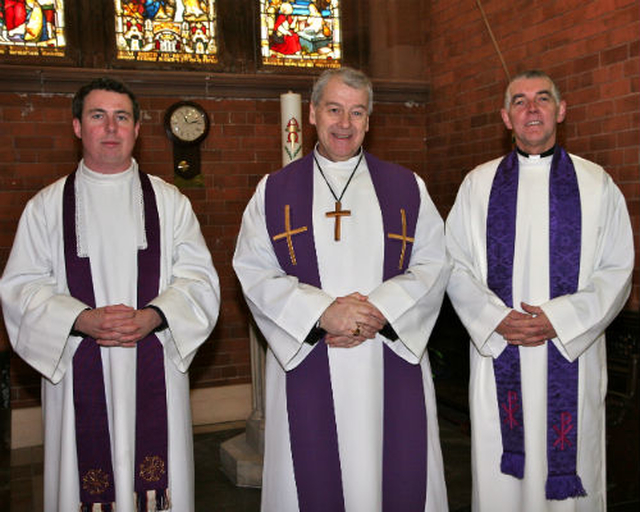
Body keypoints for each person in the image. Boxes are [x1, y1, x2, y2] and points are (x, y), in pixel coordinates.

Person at [233, 67, 450, 512]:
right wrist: (322, 314)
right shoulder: (274, 191)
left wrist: (376, 313)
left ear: (370, 120)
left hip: (386, 354)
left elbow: (435, 263)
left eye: (357, 112)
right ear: (312, 114)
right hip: (312, 353)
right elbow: (253, 270)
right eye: (334, 110)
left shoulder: (408, 187)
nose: (345, 124)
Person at [0, 77, 220, 512]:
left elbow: (200, 281)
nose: (111, 128)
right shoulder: (46, 207)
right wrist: (81, 319)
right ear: (78, 127)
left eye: (122, 117)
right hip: (79, 365)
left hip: (154, 358)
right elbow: (20, 287)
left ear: (137, 129)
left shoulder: (170, 202)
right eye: (98, 116)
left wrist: (154, 316)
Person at [445, 70, 634, 512]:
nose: (532, 109)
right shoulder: (478, 184)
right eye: (520, 101)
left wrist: (560, 320)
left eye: (543, 99)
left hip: (572, 353)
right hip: (499, 352)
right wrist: (495, 318)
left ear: (561, 111)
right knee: (501, 483)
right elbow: (452, 263)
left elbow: (618, 269)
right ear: (505, 118)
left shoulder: (597, 184)